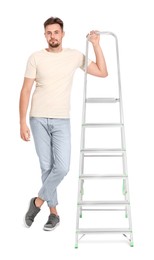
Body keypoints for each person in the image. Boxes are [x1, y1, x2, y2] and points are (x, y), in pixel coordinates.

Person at [19, 16, 108, 231]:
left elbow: (102, 72)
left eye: (56, 32)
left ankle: (37, 202)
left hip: (61, 120)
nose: (53, 36)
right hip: (38, 118)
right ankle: (54, 214)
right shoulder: (36, 57)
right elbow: (25, 90)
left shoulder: (74, 56)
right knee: (46, 167)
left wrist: (96, 45)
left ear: (62, 34)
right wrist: (22, 121)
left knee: (62, 167)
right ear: (45, 35)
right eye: (49, 33)